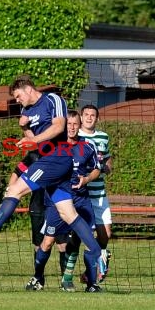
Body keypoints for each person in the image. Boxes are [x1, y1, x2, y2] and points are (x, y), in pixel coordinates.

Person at [0, 75, 103, 292]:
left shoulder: (53, 100)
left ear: (27, 89)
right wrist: (25, 130)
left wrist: (33, 139)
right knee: (67, 213)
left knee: (15, 189)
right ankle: (96, 252)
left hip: (58, 158)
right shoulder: (27, 113)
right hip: (50, 158)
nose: (18, 101)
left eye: (18, 96)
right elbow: (37, 146)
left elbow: (58, 128)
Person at [23, 111, 101, 292]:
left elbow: (97, 169)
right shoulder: (53, 146)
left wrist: (87, 179)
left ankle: (91, 284)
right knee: (48, 242)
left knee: (86, 240)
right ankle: (38, 277)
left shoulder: (88, 146)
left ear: (80, 125)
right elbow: (34, 145)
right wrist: (25, 126)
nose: (72, 127)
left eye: (75, 124)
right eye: (69, 124)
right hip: (56, 202)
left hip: (81, 200)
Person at [79, 104, 112, 280]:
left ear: (97, 119)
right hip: (81, 193)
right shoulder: (76, 136)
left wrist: (107, 166)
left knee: (106, 234)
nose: (89, 118)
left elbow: (107, 157)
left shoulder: (103, 137)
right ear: (81, 117)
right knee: (81, 236)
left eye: (93, 115)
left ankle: (100, 259)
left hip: (99, 192)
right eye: (86, 114)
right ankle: (73, 275)